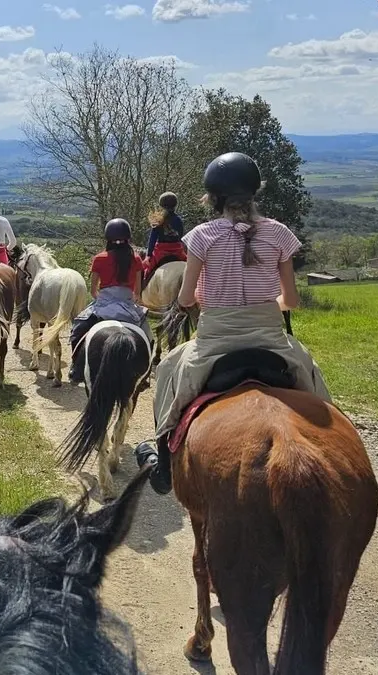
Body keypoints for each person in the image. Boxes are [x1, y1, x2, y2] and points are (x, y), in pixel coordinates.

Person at [133, 152, 332, 495]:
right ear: (255, 193)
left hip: (215, 340)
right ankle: (332, 455)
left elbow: (185, 299)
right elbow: (292, 301)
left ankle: (164, 467)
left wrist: (207, 299)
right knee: (316, 385)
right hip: (271, 337)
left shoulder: (200, 237)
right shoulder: (280, 234)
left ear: (213, 199)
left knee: (167, 371)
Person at [67, 218, 150, 385]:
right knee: (148, 336)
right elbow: (137, 293)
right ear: (128, 237)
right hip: (127, 304)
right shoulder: (136, 259)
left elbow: (93, 291)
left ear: (107, 238)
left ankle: (76, 367)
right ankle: (145, 375)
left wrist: (102, 299)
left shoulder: (99, 258)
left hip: (104, 303)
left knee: (78, 329)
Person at [143, 192, 187, 281]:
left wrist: (149, 255)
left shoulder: (158, 220)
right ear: (175, 205)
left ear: (161, 205)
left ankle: (143, 285)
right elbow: (181, 236)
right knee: (189, 266)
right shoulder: (178, 219)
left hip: (161, 251)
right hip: (177, 250)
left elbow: (152, 239)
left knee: (146, 269)